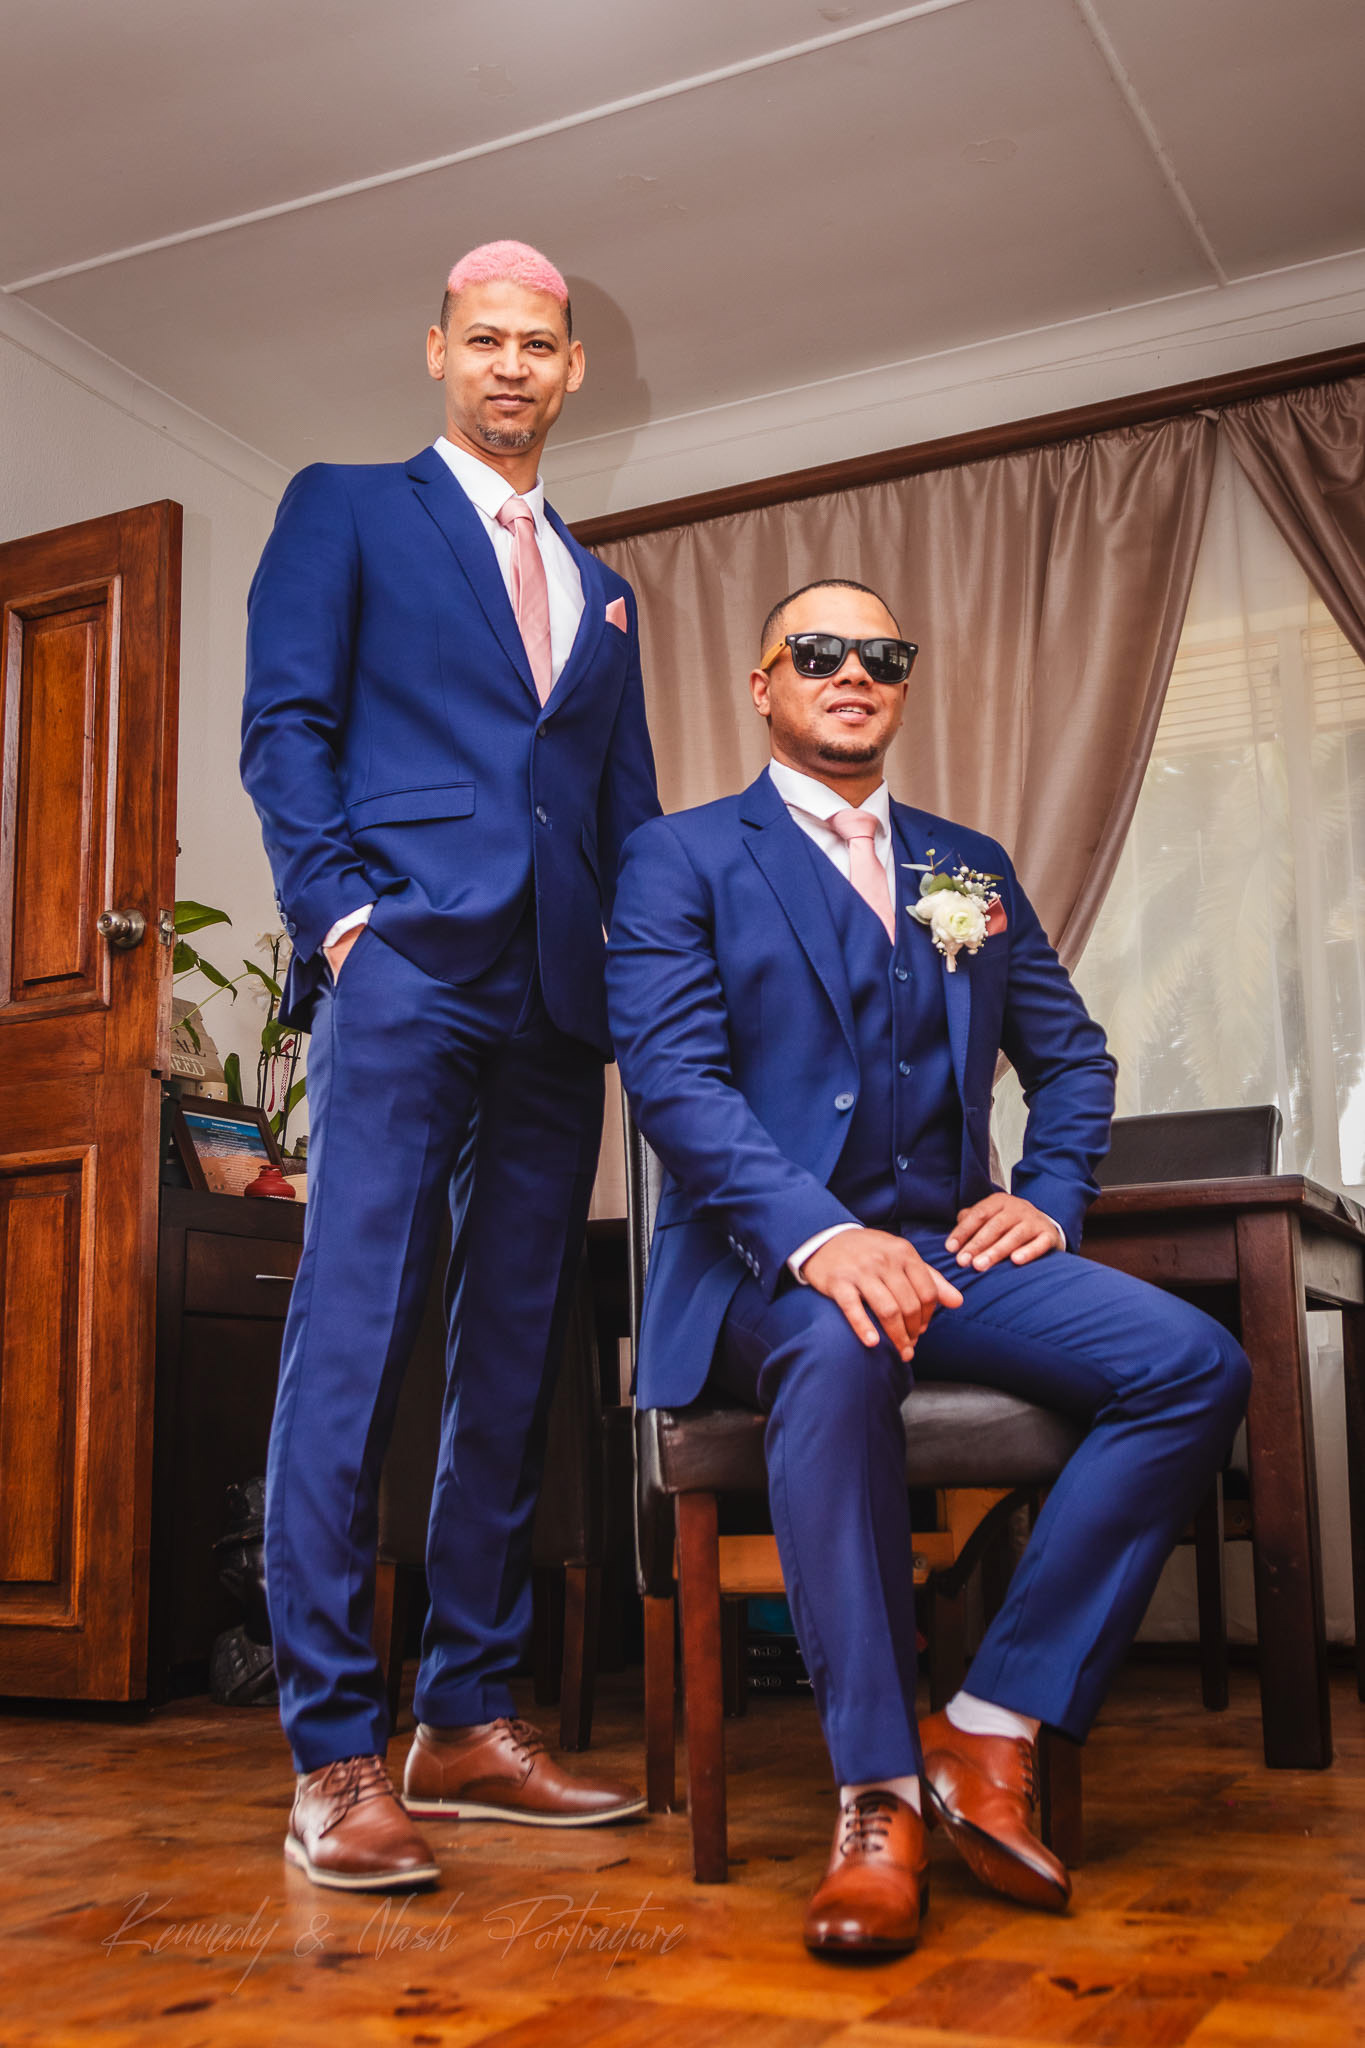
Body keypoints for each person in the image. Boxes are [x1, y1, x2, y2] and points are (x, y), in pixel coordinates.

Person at [605, 577, 1250, 1955]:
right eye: (818, 651)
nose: (854, 671)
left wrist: (1051, 1200)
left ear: (901, 686)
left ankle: (991, 1721)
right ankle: (876, 1794)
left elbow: (1071, 1061)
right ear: (764, 686)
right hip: (761, 1267)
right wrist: (821, 1237)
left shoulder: (967, 866)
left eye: (882, 654)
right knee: (838, 1346)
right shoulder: (679, 857)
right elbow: (673, 1082)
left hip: (950, 1247)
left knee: (1192, 1364)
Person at [241, 240, 658, 1892]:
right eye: (482, 339)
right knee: (352, 1341)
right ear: (437, 352)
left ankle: (467, 1718)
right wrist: (344, 924)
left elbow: (624, 816)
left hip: (558, 1002)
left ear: (571, 369)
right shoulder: (345, 508)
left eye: (536, 344)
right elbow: (287, 726)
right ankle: (332, 1751)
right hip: (406, 969)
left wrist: (642, 981)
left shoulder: (606, 592)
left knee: (514, 1358)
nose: (509, 365)